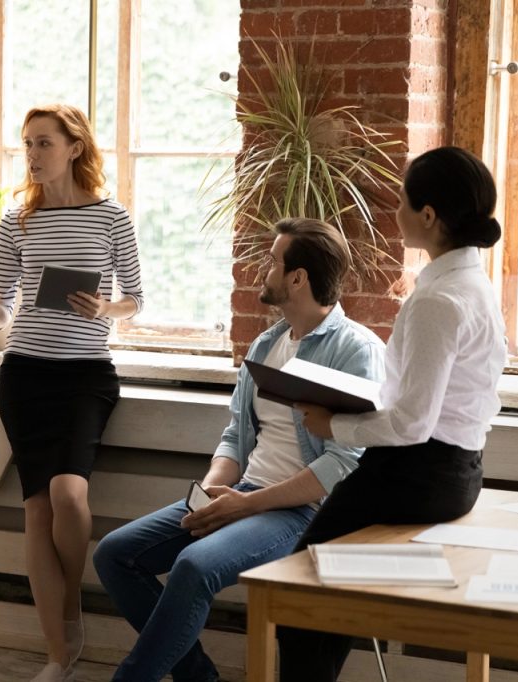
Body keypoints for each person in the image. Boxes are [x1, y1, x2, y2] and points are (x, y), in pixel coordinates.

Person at [92, 218, 386, 682]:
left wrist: (246, 505)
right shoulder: (267, 344)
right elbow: (235, 436)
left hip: (302, 512)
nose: (262, 271)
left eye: (273, 262)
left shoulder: (356, 350)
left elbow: (343, 464)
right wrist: (212, 493)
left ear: (298, 277)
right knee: (114, 554)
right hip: (244, 494)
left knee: (192, 565)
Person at [280, 146, 508, 681]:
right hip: (457, 471)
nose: (395, 212)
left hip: (415, 474)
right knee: (322, 599)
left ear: (428, 216)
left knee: (297, 597)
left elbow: (411, 424)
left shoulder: (438, 300)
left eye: (403, 201)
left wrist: (331, 424)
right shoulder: (474, 284)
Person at [0, 103, 144, 682]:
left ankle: (69, 605)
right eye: (27, 144)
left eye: (43, 143)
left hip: (84, 377)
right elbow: (9, 301)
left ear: (74, 147)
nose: (33, 155)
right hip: (24, 375)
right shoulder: (19, 220)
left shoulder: (111, 217)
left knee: (70, 496)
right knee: (37, 509)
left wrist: (106, 307)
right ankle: (57, 654)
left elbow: (137, 299)